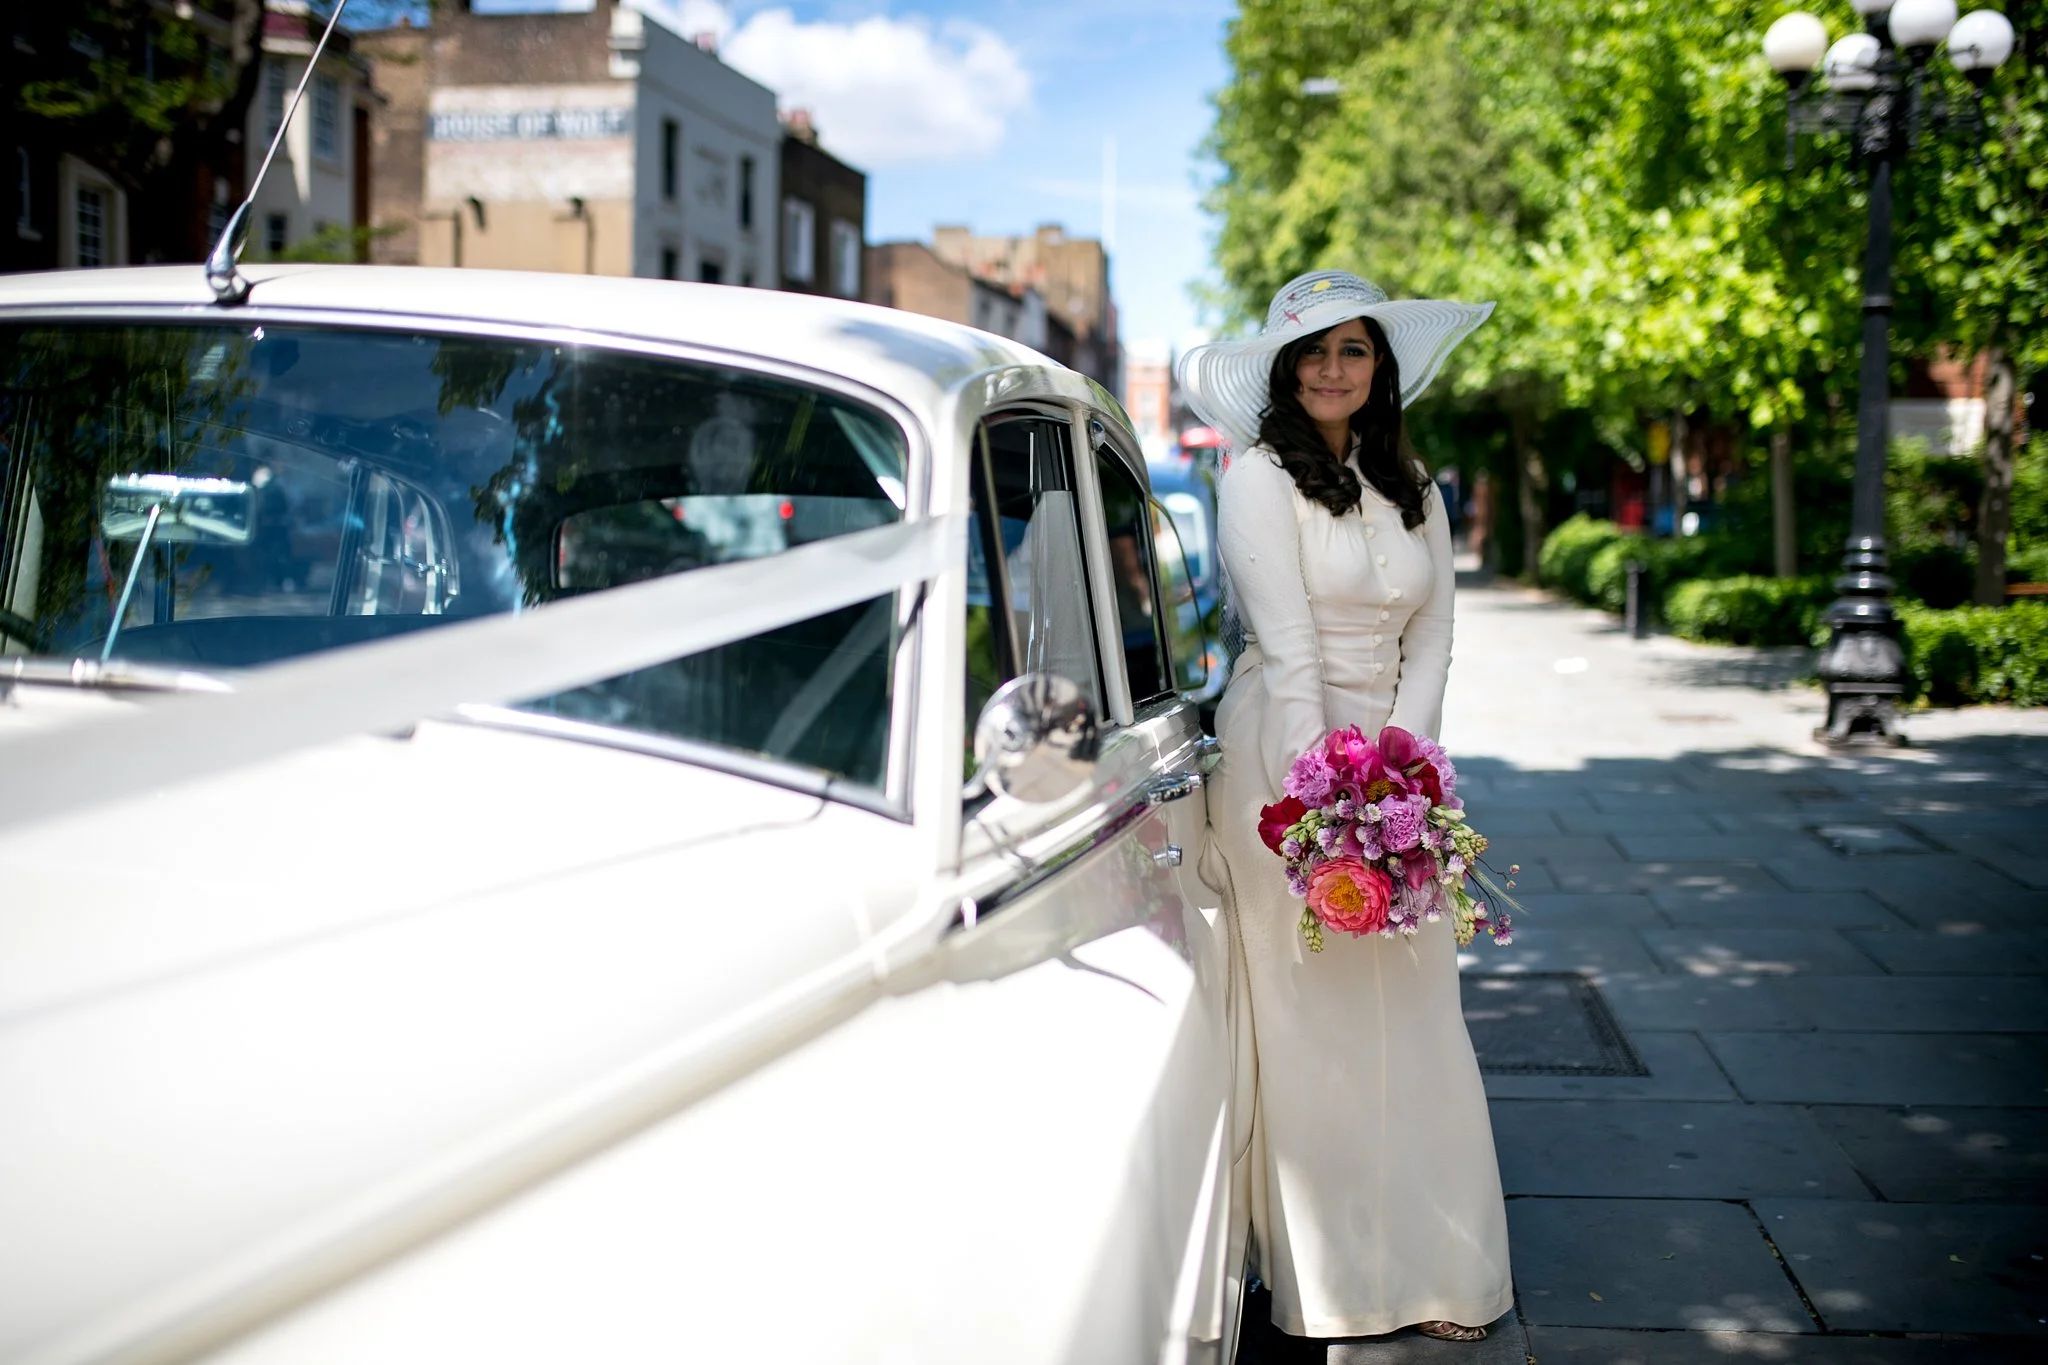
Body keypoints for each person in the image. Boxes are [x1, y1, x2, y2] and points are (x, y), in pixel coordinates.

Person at [1176, 271, 1511, 1345]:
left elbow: (1436, 635)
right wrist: (1334, 792)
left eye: (1353, 350)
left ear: (1380, 367)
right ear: (1282, 369)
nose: (1332, 369)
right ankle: (1335, 1280)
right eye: (1312, 353)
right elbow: (1288, 649)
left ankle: (1436, 1267)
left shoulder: (1413, 484)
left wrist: (1404, 769)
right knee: (1311, 1018)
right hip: (1285, 760)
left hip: (1394, 769)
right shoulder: (1255, 480)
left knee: (1417, 1005)